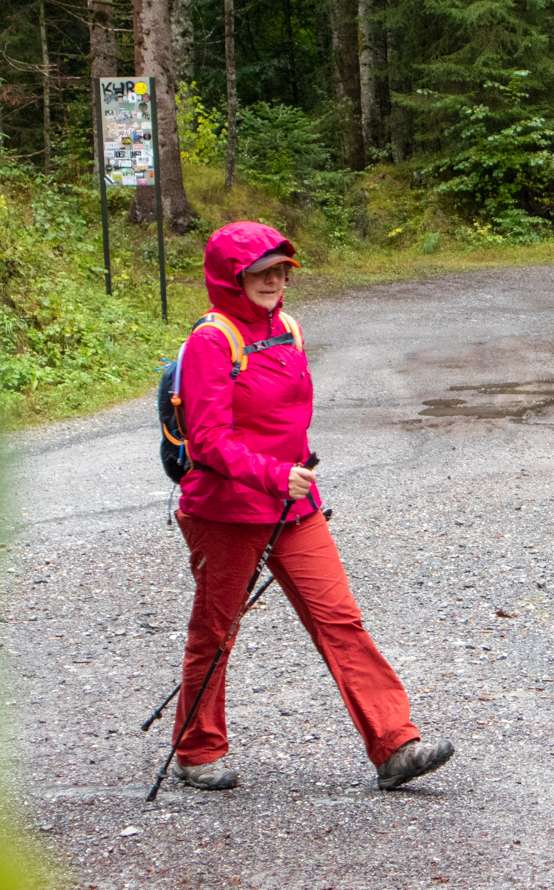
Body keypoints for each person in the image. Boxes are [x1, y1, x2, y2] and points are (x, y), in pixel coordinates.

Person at [167, 221, 453, 792]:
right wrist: (274, 475)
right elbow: (207, 440)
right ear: (230, 278)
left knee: (339, 619)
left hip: (293, 506)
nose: (273, 281)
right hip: (225, 510)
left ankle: (395, 746)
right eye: (260, 272)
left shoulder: (289, 330)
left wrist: (292, 478)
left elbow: (288, 421)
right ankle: (197, 751)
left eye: (280, 271)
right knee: (216, 632)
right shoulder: (211, 341)